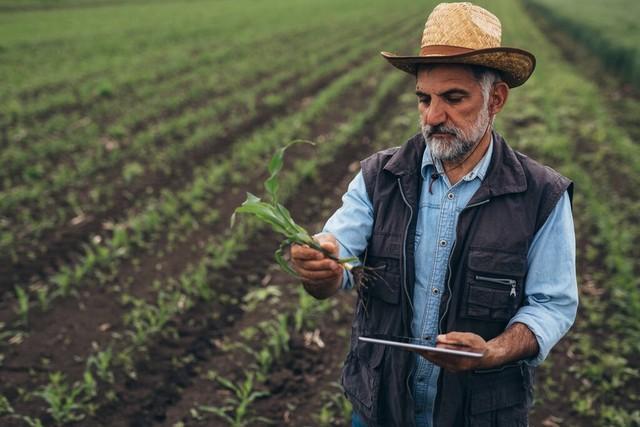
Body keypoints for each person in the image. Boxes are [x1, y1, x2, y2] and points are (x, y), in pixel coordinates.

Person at [291, 2, 578, 426]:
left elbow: (551, 305)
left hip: (480, 414)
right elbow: (338, 258)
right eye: (424, 99)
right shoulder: (379, 178)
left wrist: (492, 351)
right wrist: (322, 265)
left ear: (495, 98)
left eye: (453, 98)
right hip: (380, 409)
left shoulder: (540, 195)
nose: (433, 115)